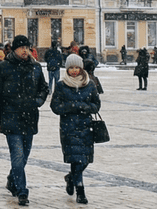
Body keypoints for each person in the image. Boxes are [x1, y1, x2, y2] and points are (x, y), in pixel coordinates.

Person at [0, 35, 49, 206]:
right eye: (21, 48)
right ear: (14, 49)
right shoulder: (3, 68)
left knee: (24, 156)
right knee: (18, 154)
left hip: (29, 117)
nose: (24, 50)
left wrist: (38, 101)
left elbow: (44, 88)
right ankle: (22, 191)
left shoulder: (35, 67)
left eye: (27, 47)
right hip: (10, 117)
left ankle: (11, 179)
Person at [51, 54, 100, 205]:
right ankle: (81, 192)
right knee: (76, 159)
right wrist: (70, 107)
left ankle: (70, 178)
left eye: (76, 67)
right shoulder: (61, 85)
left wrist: (85, 107)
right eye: (71, 67)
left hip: (86, 127)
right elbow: (55, 106)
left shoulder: (90, 84)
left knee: (84, 160)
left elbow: (96, 105)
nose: (73, 70)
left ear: (81, 68)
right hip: (69, 128)